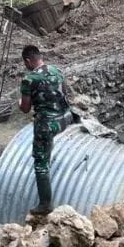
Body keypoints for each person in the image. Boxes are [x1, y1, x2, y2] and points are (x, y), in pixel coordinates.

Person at [19, 45, 74, 214]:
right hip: (65, 118)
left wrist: (19, 102)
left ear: (28, 61)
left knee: (40, 162)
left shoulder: (29, 79)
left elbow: (25, 109)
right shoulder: (57, 71)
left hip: (47, 124)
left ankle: (45, 204)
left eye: (25, 63)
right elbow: (65, 94)